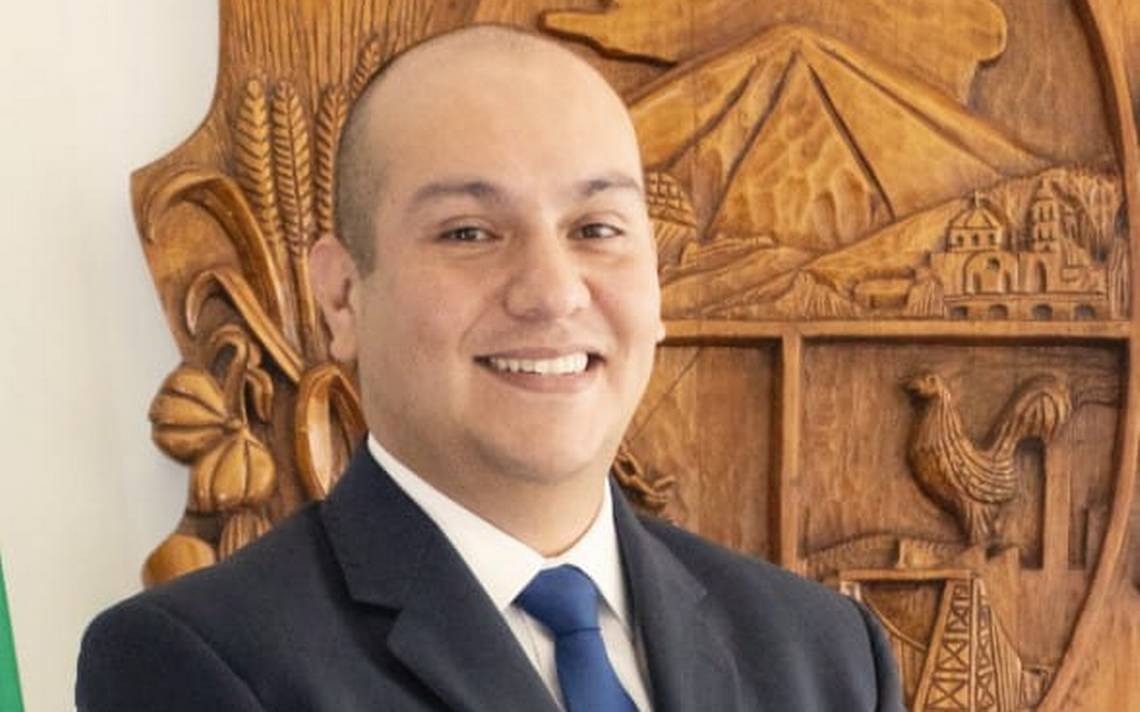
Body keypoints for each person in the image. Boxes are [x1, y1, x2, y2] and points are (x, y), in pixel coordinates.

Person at [77, 24, 904, 711]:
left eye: (596, 229)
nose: (552, 292)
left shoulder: (826, 656)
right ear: (341, 296)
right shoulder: (197, 664)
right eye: (468, 233)